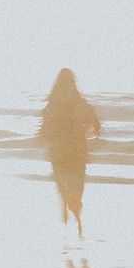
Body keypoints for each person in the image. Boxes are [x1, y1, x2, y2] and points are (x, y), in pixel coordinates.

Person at [39, 68, 101, 236]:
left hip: (58, 149)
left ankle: (65, 203)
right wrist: (92, 131)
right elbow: (95, 123)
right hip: (77, 149)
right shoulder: (79, 101)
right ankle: (76, 208)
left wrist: (46, 138)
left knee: (61, 179)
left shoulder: (53, 103)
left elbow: (44, 129)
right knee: (77, 182)